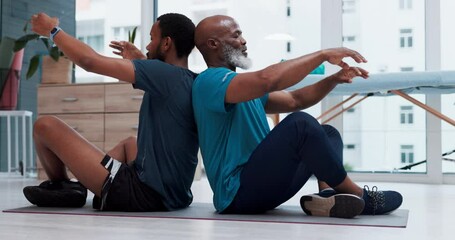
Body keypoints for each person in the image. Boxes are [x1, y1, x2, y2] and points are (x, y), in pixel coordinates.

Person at [192, 15, 403, 218]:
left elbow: (295, 100)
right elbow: (268, 79)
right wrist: (323, 55)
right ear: (213, 44)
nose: (243, 40)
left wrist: (333, 79)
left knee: (327, 133)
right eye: (236, 35)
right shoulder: (208, 81)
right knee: (300, 124)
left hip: (265, 184)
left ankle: (327, 196)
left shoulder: (240, 86)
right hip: (236, 194)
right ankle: (360, 196)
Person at [23, 12, 199, 212]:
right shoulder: (187, 79)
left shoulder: (165, 75)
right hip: (174, 195)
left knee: (44, 126)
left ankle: (63, 187)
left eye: (152, 39)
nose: (148, 46)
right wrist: (142, 60)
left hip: (143, 194)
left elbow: (89, 61)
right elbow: (165, 79)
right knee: (130, 143)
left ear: (166, 43)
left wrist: (52, 30)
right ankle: (80, 185)